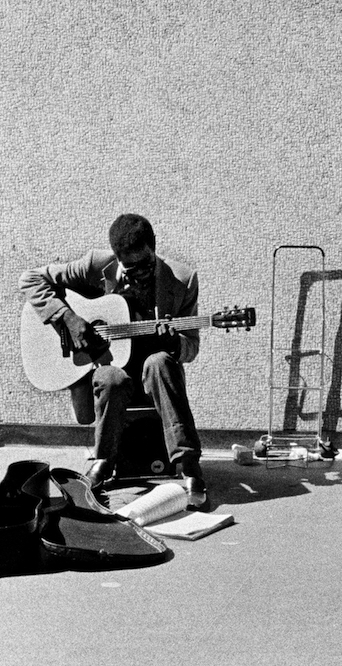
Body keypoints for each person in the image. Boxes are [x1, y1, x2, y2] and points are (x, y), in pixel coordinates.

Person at [19, 214, 206, 505]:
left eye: (145, 264)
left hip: (153, 369)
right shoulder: (96, 264)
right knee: (110, 377)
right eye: (130, 268)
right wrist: (68, 317)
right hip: (109, 363)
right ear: (116, 257)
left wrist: (173, 341)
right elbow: (30, 279)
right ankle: (104, 460)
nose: (140, 274)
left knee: (160, 362)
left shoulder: (182, 279)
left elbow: (191, 347)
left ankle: (189, 465)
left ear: (154, 245)